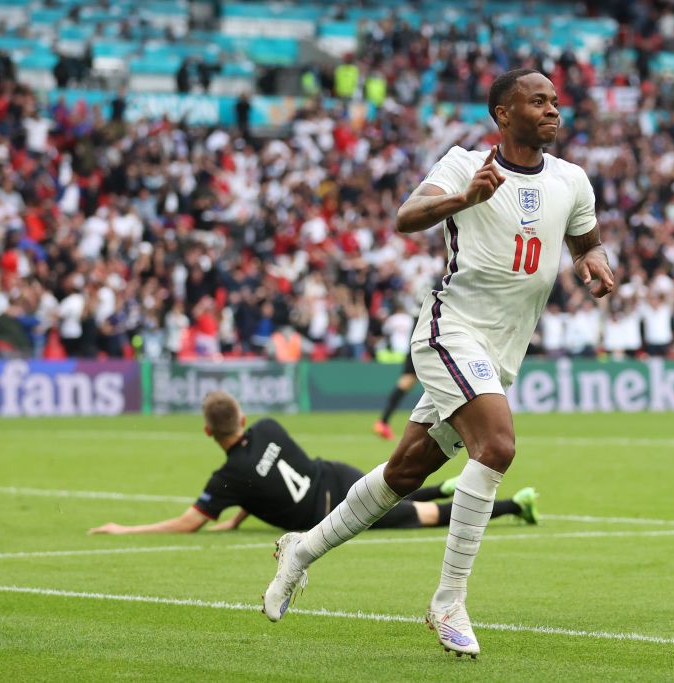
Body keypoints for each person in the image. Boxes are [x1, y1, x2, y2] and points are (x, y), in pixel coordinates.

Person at [261, 68, 614, 658]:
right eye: (538, 100)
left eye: (556, 100)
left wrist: (596, 261)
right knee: (497, 446)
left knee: (405, 472)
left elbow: (586, 238)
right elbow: (406, 217)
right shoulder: (463, 164)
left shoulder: (573, 180)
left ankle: (301, 549)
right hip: (450, 330)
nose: (554, 109)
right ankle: (448, 599)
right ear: (503, 114)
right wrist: (465, 198)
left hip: (502, 351)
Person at [88, 391, 538, 535]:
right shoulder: (266, 428)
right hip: (335, 473)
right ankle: (446, 484)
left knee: (418, 515)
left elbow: (190, 523)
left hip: (328, 511)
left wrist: (125, 530)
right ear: (241, 418)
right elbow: (267, 471)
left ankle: (516, 506)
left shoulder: (229, 478)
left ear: (209, 432)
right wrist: (238, 519)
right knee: (392, 486)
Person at [373, 349, 417, 440]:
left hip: (421, 347)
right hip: (427, 348)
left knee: (406, 382)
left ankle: (383, 422)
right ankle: (382, 422)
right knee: (406, 382)